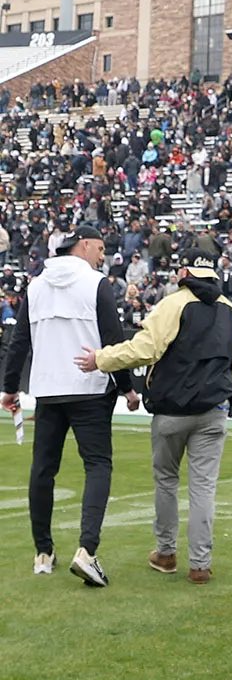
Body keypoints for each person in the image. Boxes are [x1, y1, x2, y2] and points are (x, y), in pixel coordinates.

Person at [74, 249, 232, 585]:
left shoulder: (173, 304)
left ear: (183, 271)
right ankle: (200, 564)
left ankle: (166, 553)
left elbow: (146, 349)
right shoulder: (230, 311)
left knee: (166, 481)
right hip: (213, 410)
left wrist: (101, 359)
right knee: (203, 488)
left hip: (172, 410)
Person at [0, 224, 139, 585]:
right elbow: (113, 340)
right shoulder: (96, 284)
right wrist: (127, 388)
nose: (103, 254)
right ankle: (86, 550)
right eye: (100, 247)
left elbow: (19, 343)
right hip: (90, 389)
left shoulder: (36, 285)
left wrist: (10, 388)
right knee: (98, 466)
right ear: (85, 246)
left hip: (48, 390)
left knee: (43, 469)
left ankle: (43, 552)